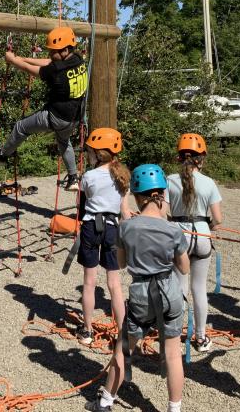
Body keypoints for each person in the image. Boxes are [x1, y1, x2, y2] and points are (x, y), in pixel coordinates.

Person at [86, 164, 189, 412]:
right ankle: (174, 408)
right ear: (161, 194)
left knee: (124, 349)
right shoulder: (173, 230)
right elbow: (184, 268)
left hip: (142, 291)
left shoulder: (126, 227)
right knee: (173, 354)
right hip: (169, 291)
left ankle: (106, 401)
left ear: (138, 196)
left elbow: (121, 263)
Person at [0, 26, 87, 191]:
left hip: (56, 116)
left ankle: (3, 155)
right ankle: (73, 178)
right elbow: (49, 63)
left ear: (65, 50)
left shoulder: (56, 72)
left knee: (21, 127)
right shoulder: (77, 59)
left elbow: (31, 70)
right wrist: (22, 58)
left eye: (53, 51)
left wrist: (12, 60)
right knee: (64, 142)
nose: (50, 54)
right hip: (74, 118)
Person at [165, 133, 222, 353]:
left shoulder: (170, 180)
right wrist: (210, 227)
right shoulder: (209, 183)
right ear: (201, 158)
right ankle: (200, 337)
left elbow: (163, 213)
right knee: (199, 288)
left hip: (179, 235)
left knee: (180, 287)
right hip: (203, 235)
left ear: (179, 157)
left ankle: (174, 333)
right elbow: (218, 219)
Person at [75, 128, 132, 346]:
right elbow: (125, 212)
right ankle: (122, 333)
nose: (89, 154)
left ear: (98, 153)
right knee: (115, 284)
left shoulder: (88, 176)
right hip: (111, 228)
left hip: (91, 226)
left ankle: (87, 330)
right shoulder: (123, 176)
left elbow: (82, 203)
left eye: (90, 151)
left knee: (89, 282)